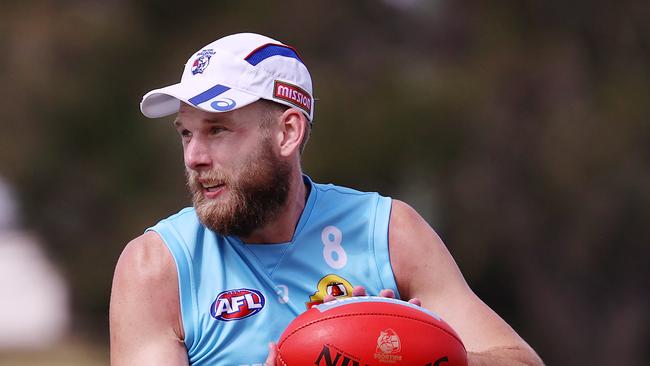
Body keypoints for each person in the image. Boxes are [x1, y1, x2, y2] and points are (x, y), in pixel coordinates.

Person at [109, 33, 543, 366]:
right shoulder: (156, 268)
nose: (194, 157)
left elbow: (519, 359)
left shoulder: (388, 233)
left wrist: (423, 351)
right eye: (186, 133)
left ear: (288, 132)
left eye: (217, 130)